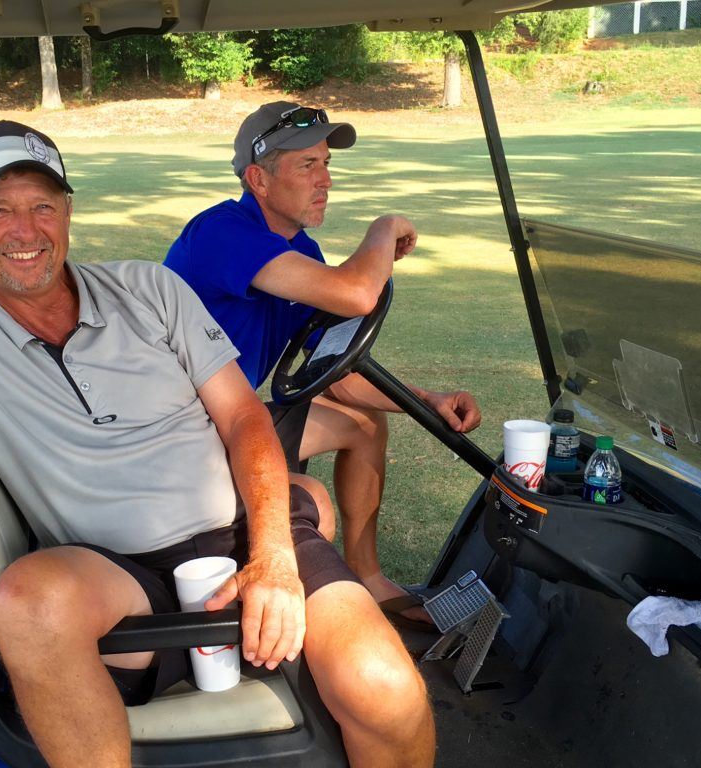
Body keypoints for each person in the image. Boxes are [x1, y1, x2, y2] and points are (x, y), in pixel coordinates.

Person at [0, 120, 434, 768]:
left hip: (247, 535)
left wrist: (275, 558)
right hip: (118, 579)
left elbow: (243, 420)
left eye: (43, 206)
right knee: (31, 598)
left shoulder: (151, 290)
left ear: (67, 212)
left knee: (387, 692)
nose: (26, 230)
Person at [164, 102, 483, 630]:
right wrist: (385, 228)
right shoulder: (221, 233)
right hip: (183, 434)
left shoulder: (297, 249)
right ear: (258, 179)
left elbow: (334, 368)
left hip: (225, 420)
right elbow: (356, 293)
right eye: (307, 166)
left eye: (326, 164)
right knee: (330, 461)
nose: (326, 181)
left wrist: (426, 400)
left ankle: (370, 578)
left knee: (364, 424)